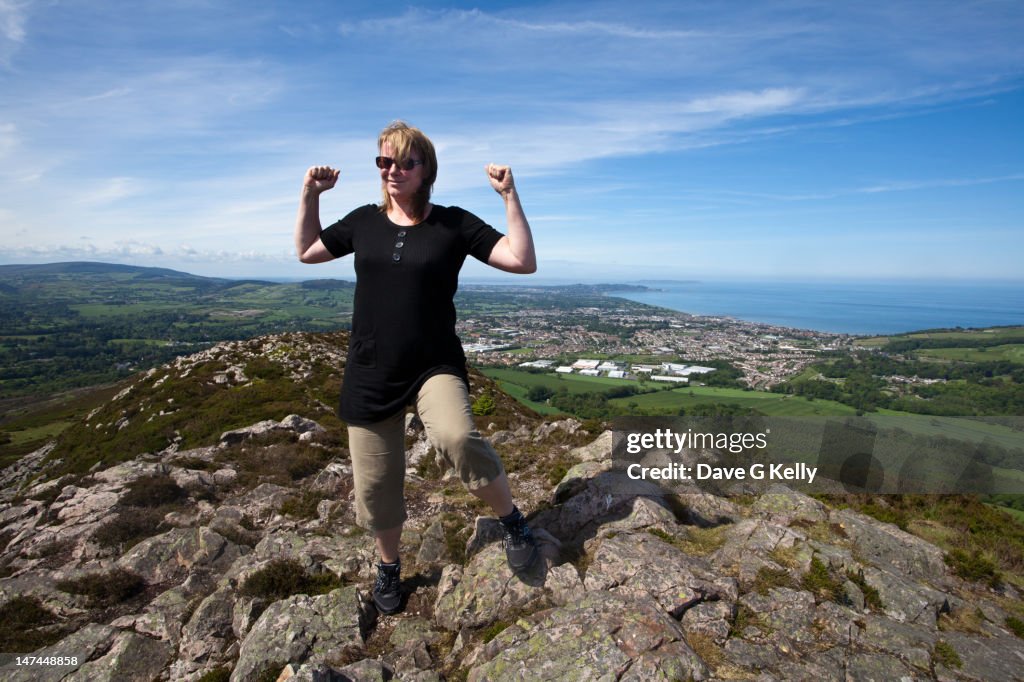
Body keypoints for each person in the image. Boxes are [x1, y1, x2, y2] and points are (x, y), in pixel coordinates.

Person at [293, 121, 539, 615]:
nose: (393, 170)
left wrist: (510, 196)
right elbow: (306, 252)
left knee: (456, 437)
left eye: (405, 162)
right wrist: (309, 195)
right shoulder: (363, 221)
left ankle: (511, 520)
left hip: (433, 362)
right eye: (384, 161)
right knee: (376, 483)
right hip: (370, 366)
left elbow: (521, 260)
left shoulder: (451, 223)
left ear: (426, 169)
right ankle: (388, 566)